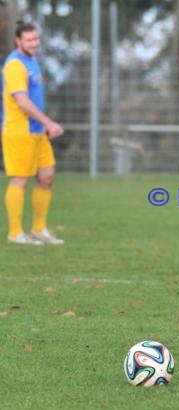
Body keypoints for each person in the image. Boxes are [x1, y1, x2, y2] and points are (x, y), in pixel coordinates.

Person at [1, 20, 64, 245]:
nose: (34, 43)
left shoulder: (32, 61)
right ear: (18, 41)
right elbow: (23, 102)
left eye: (36, 39)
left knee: (47, 176)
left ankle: (39, 229)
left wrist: (43, 125)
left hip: (37, 131)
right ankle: (16, 233)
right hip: (19, 131)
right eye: (29, 40)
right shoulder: (15, 65)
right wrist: (49, 123)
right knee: (19, 179)